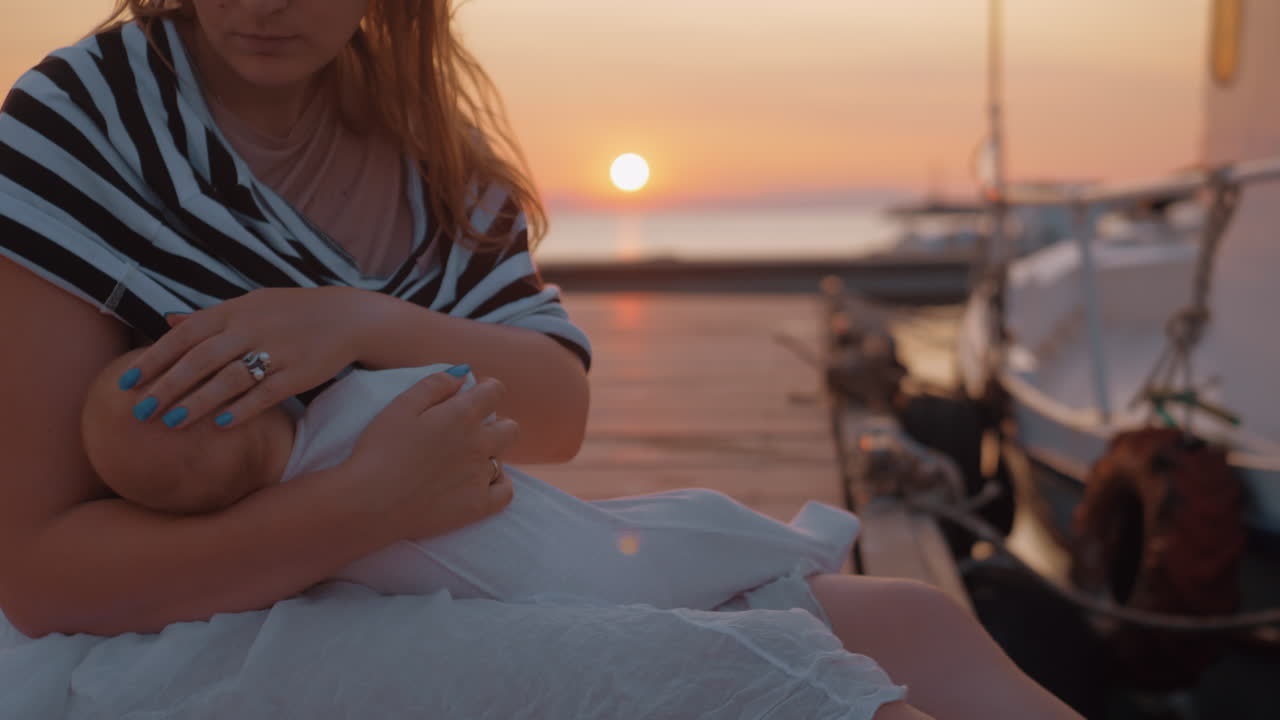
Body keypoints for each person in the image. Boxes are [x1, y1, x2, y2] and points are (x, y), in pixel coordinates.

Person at [0, 2, 1083, 718]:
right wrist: (362, 508)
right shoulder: (84, 125)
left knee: (922, 623)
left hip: (436, 580)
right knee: (771, 687)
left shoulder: (426, 143)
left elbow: (553, 405)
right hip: (176, 639)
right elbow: (44, 582)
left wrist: (352, 322)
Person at [85, 346, 860, 609]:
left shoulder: (288, 550)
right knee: (682, 527)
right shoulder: (355, 407)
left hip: (529, 585)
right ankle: (806, 545)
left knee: (666, 541)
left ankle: (790, 554)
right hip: (558, 560)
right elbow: (472, 394)